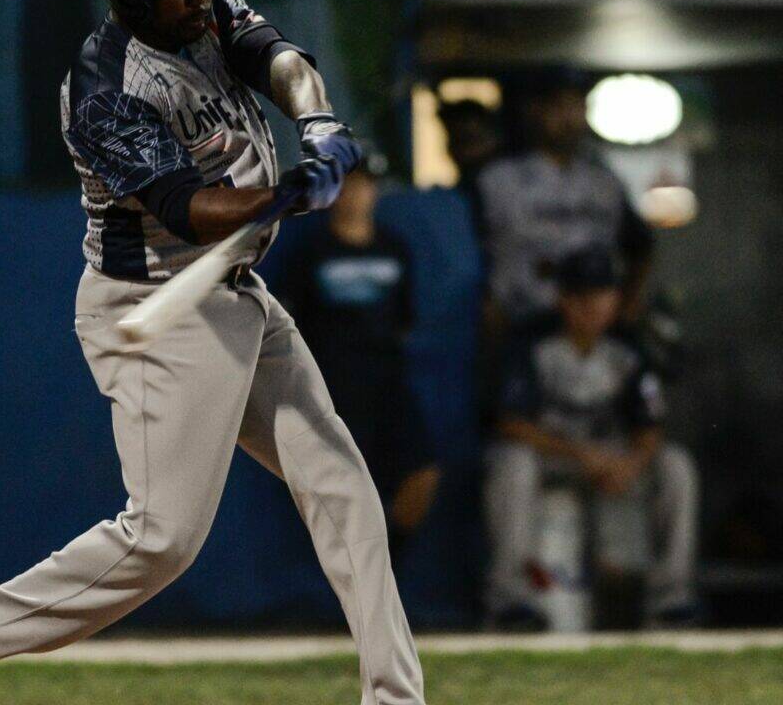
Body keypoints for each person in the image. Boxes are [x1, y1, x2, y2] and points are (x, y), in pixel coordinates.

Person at [0, 0, 426, 705]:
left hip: (234, 292)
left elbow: (279, 57)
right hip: (154, 309)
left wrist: (316, 123)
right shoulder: (103, 91)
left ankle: (395, 696)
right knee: (161, 542)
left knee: (340, 482)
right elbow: (191, 209)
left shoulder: (205, 9)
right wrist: (284, 193)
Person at [483, 246, 699, 631]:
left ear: (616, 298)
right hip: (555, 455)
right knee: (511, 463)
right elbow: (510, 422)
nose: (593, 306)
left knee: (676, 465)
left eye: (602, 294)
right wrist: (581, 454)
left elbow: (649, 426)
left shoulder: (629, 344)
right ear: (563, 298)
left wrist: (631, 464)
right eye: (582, 296)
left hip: (611, 459)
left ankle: (671, 600)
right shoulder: (531, 339)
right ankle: (510, 601)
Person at [280, 163, 440, 561]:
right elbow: (287, 324)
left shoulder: (394, 247)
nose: (354, 195)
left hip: (388, 382)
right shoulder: (310, 254)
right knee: (344, 487)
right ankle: (353, 584)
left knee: (423, 473)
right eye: (344, 187)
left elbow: (405, 318)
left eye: (362, 186)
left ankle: (386, 567)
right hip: (333, 387)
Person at [476, 71, 654, 335]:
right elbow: (474, 254)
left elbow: (641, 246)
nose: (568, 118)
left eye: (576, 106)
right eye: (557, 106)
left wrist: (627, 305)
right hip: (522, 320)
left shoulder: (603, 182)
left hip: (590, 330)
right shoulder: (498, 180)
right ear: (534, 111)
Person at [436, 98, 502, 238]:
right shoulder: (449, 204)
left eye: (470, 140)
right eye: (456, 141)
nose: (463, 151)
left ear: (494, 140)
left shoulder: (514, 196)